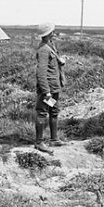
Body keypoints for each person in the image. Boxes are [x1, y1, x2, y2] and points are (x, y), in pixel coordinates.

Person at [34, 22, 66, 153]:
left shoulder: (50, 45)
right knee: (42, 112)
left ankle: (54, 139)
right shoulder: (43, 50)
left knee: (54, 110)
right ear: (47, 34)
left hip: (55, 87)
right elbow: (41, 73)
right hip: (48, 90)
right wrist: (46, 92)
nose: (54, 33)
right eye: (52, 31)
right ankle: (39, 142)